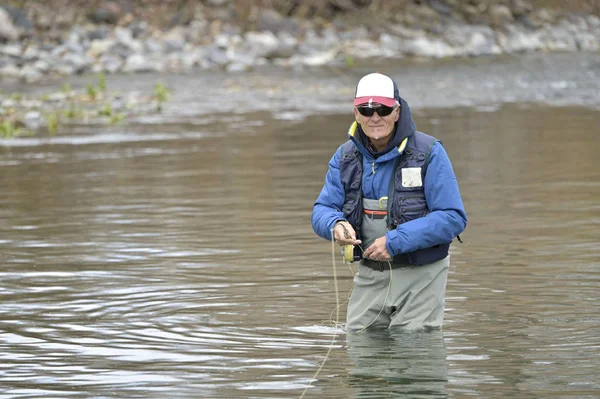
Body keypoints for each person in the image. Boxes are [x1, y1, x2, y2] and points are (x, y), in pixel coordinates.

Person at [311, 72, 467, 331]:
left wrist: (394, 242)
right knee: (360, 346)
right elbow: (322, 209)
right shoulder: (344, 157)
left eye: (382, 109)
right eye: (366, 109)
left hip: (422, 274)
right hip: (370, 274)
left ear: (397, 111)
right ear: (356, 113)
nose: (375, 117)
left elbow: (453, 217)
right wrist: (335, 224)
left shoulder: (430, 152)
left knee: (413, 352)